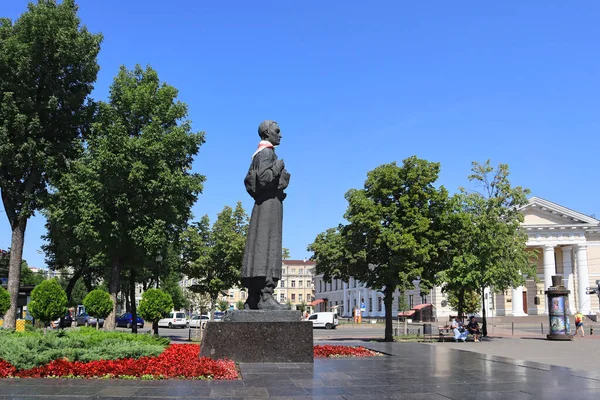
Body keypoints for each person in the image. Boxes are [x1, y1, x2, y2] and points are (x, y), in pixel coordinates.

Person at [242, 120, 291, 310]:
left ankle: (253, 297)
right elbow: (263, 180)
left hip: (263, 206)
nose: (280, 135)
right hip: (269, 205)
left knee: (259, 246)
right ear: (266, 133)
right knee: (269, 244)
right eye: (277, 131)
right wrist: (279, 168)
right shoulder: (267, 153)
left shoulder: (260, 154)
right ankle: (265, 296)